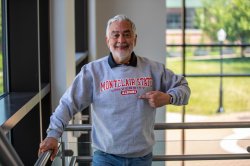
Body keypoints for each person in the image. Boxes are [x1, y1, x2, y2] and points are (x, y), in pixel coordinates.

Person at [38, 14, 191, 166]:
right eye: (115, 35)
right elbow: (67, 104)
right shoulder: (92, 72)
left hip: (142, 158)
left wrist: (169, 98)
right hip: (105, 158)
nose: (121, 40)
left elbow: (184, 88)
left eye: (127, 34)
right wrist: (53, 135)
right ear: (107, 41)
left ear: (135, 39)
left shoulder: (154, 69)